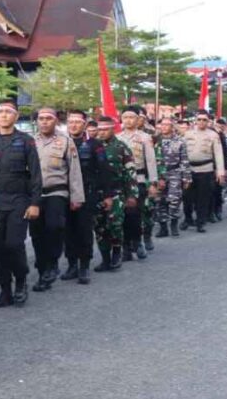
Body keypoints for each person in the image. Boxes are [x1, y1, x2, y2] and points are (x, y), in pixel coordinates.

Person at [0, 100, 41, 308]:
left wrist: (34, 203)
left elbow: (35, 174)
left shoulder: (26, 141)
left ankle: (21, 282)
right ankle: (4, 289)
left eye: (8, 112)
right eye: (0, 111)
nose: (4, 115)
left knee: (14, 245)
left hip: (18, 200)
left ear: (16, 116)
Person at [30, 107, 84, 292]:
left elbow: (74, 170)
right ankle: (43, 268)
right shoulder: (29, 142)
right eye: (41, 118)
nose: (44, 122)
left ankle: (53, 262)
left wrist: (76, 197)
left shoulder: (65, 142)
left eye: (48, 118)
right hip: (35, 194)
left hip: (57, 191)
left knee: (54, 227)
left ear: (56, 121)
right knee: (37, 233)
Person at [62, 111, 111, 284]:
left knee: (83, 230)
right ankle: (72, 264)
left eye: (78, 122)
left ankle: (84, 266)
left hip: (87, 193)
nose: (74, 125)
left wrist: (107, 195)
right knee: (68, 231)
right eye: (71, 122)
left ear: (84, 125)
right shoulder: (61, 143)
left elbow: (104, 170)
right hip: (64, 194)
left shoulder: (94, 144)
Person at [92, 117, 136, 271]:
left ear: (112, 129)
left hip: (117, 191)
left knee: (115, 224)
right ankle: (105, 258)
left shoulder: (121, 147)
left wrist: (131, 195)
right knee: (99, 227)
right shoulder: (92, 145)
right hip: (98, 193)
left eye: (105, 129)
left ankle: (117, 251)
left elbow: (130, 172)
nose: (101, 132)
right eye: (99, 129)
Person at [117, 106, 158, 261]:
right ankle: (125, 246)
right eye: (125, 117)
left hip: (139, 180)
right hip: (121, 182)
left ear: (137, 120)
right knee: (123, 215)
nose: (128, 120)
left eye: (131, 117)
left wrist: (152, 183)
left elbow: (151, 161)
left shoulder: (144, 138)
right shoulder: (117, 138)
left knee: (136, 214)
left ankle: (138, 241)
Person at [182, 110, 226, 232]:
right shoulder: (187, 134)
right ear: (195, 120)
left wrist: (220, 173)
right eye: (199, 119)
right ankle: (187, 219)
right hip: (189, 170)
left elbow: (218, 154)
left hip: (205, 169)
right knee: (187, 197)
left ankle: (200, 222)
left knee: (203, 197)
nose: (201, 122)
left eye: (204, 120)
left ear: (208, 121)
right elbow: (182, 153)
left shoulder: (213, 135)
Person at [154, 116, 191, 238]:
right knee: (160, 201)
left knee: (174, 200)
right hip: (158, 174)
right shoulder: (154, 140)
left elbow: (184, 159)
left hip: (174, 172)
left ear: (172, 127)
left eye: (167, 125)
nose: (164, 127)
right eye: (162, 124)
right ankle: (163, 226)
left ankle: (174, 224)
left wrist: (186, 177)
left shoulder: (179, 141)